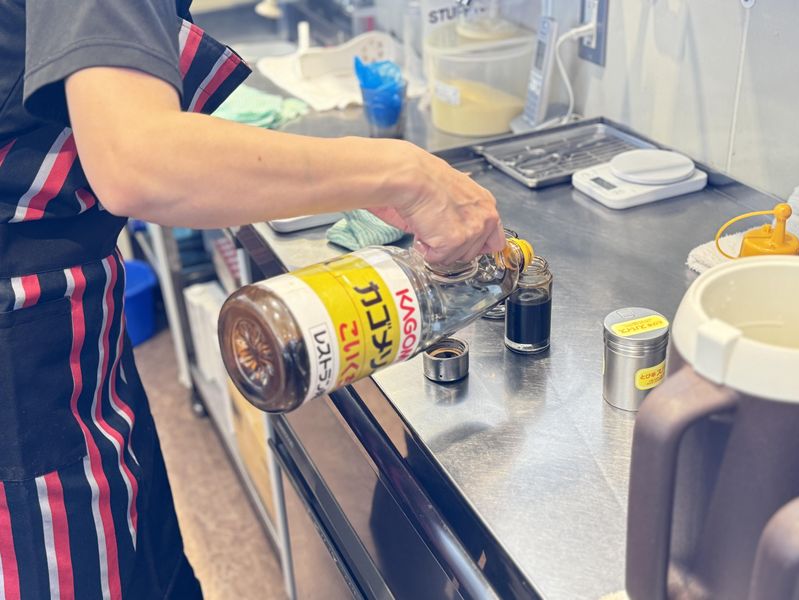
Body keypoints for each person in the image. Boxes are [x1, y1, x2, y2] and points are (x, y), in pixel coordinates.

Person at [0, 1, 503, 598]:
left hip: (76, 332)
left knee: (149, 572)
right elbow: (139, 158)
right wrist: (409, 174)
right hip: (22, 371)